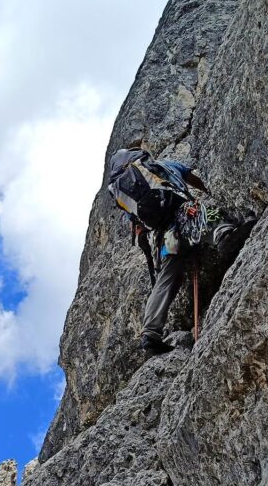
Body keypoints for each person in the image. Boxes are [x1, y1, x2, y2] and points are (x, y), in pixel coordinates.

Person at [106, 147, 247, 356]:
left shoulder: (123, 190)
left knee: (167, 278)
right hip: (184, 213)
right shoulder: (161, 166)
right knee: (202, 217)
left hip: (166, 236)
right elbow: (191, 177)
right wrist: (206, 191)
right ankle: (224, 236)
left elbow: (138, 225)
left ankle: (150, 333)